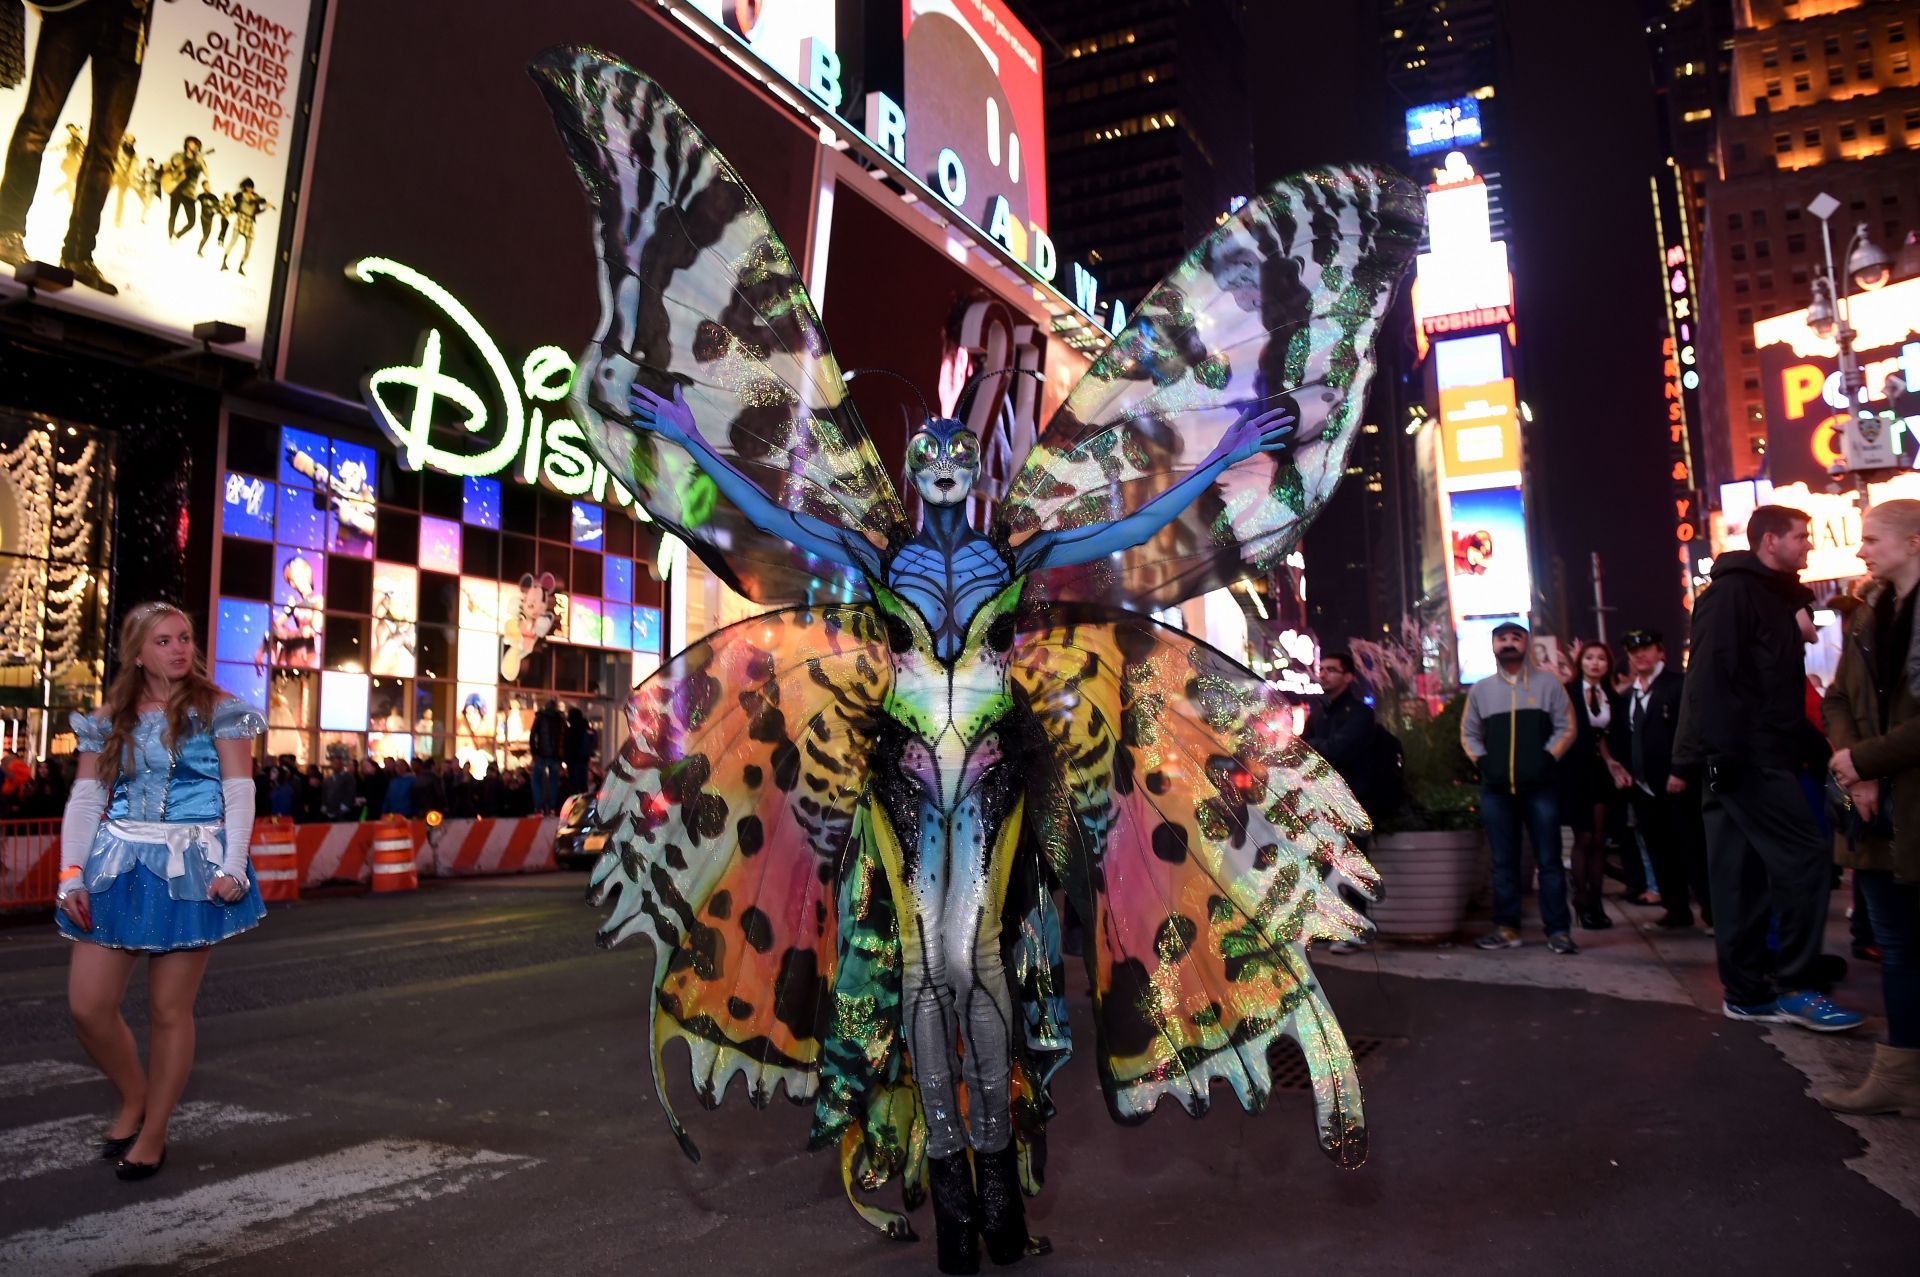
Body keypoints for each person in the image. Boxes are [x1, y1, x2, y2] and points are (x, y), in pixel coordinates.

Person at [54, 601, 265, 1179]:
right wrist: (71, 871)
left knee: (168, 1009)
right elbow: (87, 799)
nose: (180, 649)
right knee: (88, 1005)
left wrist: (235, 863)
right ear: (138, 652)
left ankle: (153, 1131)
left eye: (186, 638)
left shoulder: (221, 711)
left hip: (192, 865)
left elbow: (239, 791)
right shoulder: (108, 717)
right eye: (165, 640)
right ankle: (133, 1094)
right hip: (117, 862)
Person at [1675, 505, 1864, 1031]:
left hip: (1749, 755)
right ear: (1770, 540)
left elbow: (1774, 693)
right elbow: (1711, 680)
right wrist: (1720, 757)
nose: (1808, 545)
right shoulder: (1733, 595)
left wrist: (1819, 750)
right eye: (1801, 537)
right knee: (1806, 855)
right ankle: (1797, 986)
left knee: (1740, 877)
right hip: (1745, 758)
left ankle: (1747, 992)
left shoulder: (1766, 595)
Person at [1820, 500, 1920, 1112]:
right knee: (1898, 949)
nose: (1861, 550)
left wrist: (1865, 761)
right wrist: (1851, 766)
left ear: (1913, 541)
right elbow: (1835, 700)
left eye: (1873, 539)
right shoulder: (1865, 617)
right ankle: (1899, 1076)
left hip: (1912, 808)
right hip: (1875, 817)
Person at [0, 0, 170, 294]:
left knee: (105, 151)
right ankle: (6, 230)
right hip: (73, 11)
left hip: (129, 24)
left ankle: (79, 256)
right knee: (38, 124)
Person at [1461, 620, 1578, 954]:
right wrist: (1484, 763)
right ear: (1493, 646)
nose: (1509, 643)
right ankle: (1506, 928)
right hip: (1497, 791)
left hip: (1540, 787)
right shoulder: (1481, 690)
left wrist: (1546, 758)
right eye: (1502, 639)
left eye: (1516, 637)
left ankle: (1558, 931)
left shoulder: (1549, 685)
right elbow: (1468, 733)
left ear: (1527, 645)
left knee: (1550, 861)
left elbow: (1566, 727)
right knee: (1502, 862)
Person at [1614, 628, 1712, 931]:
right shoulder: (1630, 694)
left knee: (1693, 850)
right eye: (1633, 651)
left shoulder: (1678, 685)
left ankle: (1713, 914)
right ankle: (1676, 910)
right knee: (1659, 851)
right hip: (1642, 787)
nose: (1640, 655)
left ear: (1660, 651)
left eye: (1647, 648)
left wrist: (1681, 771)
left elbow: (1695, 731)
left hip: (1678, 783)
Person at [1304, 651, 1381, 953]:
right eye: (1322, 669)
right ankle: (1330, 926)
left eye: (1333, 670)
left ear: (1349, 677)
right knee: (1324, 864)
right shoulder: (1319, 712)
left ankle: (1355, 930)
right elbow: (1302, 747)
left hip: (1353, 799)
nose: (1324, 674)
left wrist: (1313, 747)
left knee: (1352, 863)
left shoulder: (1360, 713)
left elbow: (1338, 750)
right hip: (1321, 798)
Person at [1562, 641, 1622, 930]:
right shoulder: (1567, 692)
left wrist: (1615, 764)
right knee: (1583, 838)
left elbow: (1612, 736)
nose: (1595, 663)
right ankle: (1581, 900)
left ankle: (1596, 903)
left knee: (1599, 839)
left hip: (1602, 772)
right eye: (1590, 658)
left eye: (1601, 658)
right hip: (1574, 772)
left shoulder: (1612, 694)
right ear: (1580, 662)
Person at [220, 178, 269, 275]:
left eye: (251, 187)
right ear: (245, 187)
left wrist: (265, 208)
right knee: (233, 242)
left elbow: (257, 210)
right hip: (241, 219)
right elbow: (235, 203)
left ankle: (240, 267)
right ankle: (224, 263)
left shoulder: (255, 197)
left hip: (249, 222)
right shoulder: (240, 196)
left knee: (248, 247)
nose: (250, 189)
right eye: (248, 187)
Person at [530, 699, 565, 814]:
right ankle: (551, 807)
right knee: (553, 782)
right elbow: (563, 738)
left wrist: (534, 752)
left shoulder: (540, 717)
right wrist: (561, 756)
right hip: (555, 756)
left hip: (541, 754)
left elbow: (533, 735)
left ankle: (538, 807)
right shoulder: (560, 719)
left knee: (536, 780)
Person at [321, 755, 356, 821]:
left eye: (337, 763)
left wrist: (345, 804)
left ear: (341, 764)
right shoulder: (329, 779)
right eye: (333, 763)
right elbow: (325, 792)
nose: (335, 765)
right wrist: (324, 804)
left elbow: (350, 792)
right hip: (330, 810)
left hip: (342, 811)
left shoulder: (348, 777)